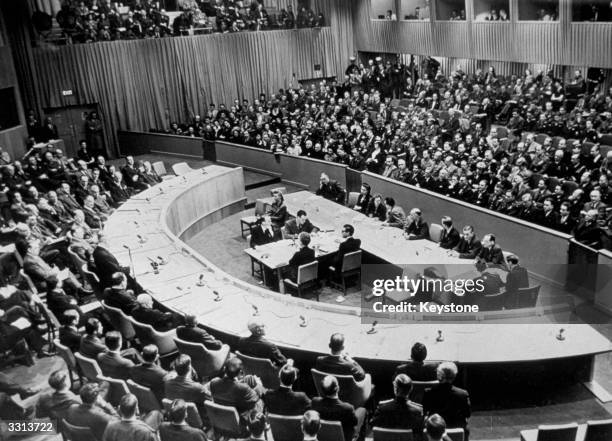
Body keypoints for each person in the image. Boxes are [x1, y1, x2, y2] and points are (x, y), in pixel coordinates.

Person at [311, 375, 366, 441]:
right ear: (337, 388)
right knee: (363, 410)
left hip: (323, 437)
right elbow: (354, 422)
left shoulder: (314, 402)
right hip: (344, 438)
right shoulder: (348, 408)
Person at [423, 362, 471, 437]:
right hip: (457, 431)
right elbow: (467, 414)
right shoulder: (463, 394)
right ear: (454, 376)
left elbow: (424, 412)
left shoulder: (428, 393)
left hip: (435, 431)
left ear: (439, 376)